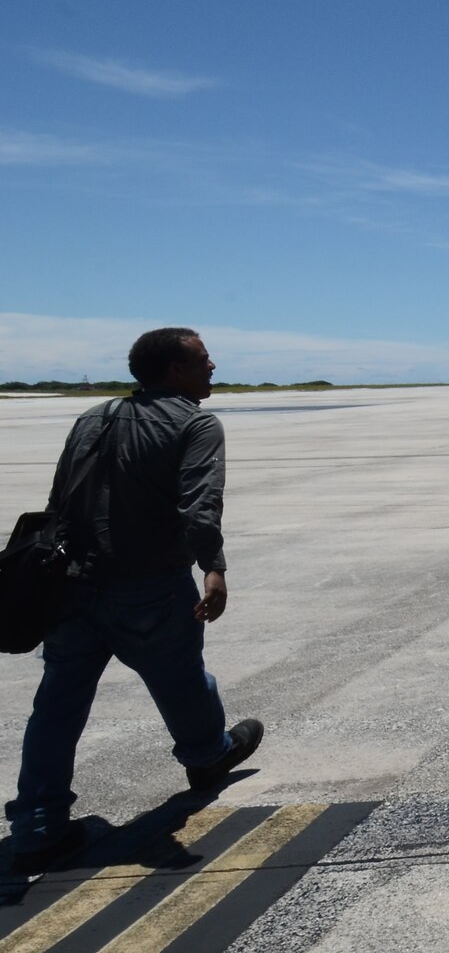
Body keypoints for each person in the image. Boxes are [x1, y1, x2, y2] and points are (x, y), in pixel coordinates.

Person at [7, 329, 262, 874]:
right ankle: (206, 756)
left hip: (71, 584)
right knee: (183, 680)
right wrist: (213, 567)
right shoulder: (195, 423)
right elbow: (199, 503)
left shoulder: (92, 417)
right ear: (174, 370)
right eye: (201, 359)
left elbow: (59, 499)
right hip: (145, 584)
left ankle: (35, 828)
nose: (212, 365)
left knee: (57, 706)